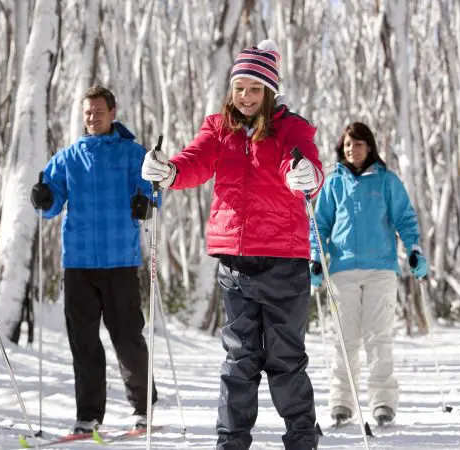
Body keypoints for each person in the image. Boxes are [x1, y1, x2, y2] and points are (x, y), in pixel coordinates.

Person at [142, 40, 322, 450]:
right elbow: (196, 161)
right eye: (239, 87)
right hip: (236, 266)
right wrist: (169, 171)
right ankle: (231, 442)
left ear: (269, 91)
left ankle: (300, 439)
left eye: (254, 89)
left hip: (284, 263)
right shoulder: (218, 128)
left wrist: (305, 174)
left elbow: (304, 161)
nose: (244, 96)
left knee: (285, 362)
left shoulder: (291, 127)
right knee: (239, 361)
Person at [30, 86, 159, 433]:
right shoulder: (68, 157)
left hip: (120, 259)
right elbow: (52, 200)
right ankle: (88, 415)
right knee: (83, 341)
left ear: (112, 113)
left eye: (99, 111)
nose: (93, 117)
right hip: (79, 262)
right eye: (87, 112)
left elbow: (151, 190)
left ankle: (143, 407)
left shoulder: (134, 154)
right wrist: (43, 198)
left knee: (127, 337)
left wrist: (145, 202)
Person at [308, 121, 427, 427]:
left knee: (378, 337)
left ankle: (383, 402)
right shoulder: (334, 183)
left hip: (380, 270)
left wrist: (414, 250)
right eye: (348, 144)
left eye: (358, 144)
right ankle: (341, 402)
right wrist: (316, 258)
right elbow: (319, 225)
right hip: (343, 271)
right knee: (344, 339)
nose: (352, 149)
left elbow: (405, 219)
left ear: (370, 146)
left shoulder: (387, 181)